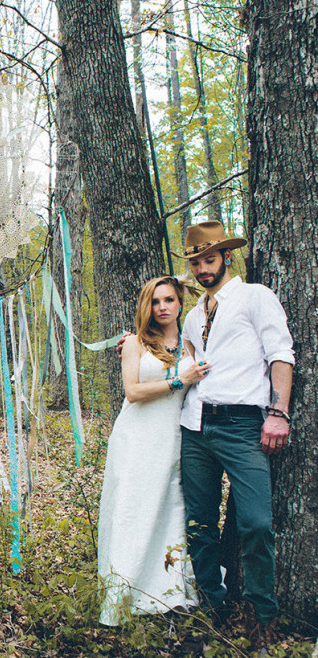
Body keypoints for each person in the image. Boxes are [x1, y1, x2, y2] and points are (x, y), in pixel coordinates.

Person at [175, 221, 293, 641]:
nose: (204, 269)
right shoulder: (192, 316)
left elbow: (281, 353)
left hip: (245, 425)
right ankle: (214, 605)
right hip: (195, 426)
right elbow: (184, 362)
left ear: (227, 257)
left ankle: (264, 615)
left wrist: (278, 412)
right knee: (199, 522)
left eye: (210, 259)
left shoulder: (255, 297)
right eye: (196, 263)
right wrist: (135, 341)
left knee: (257, 523)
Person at [98, 276, 209, 625]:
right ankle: (123, 594)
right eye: (155, 301)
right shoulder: (134, 344)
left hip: (174, 436)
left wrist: (193, 282)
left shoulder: (193, 344)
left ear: (180, 304)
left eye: (169, 300)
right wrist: (180, 380)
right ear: (147, 307)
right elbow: (132, 392)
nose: (162, 307)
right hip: (137, 436)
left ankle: (168, 591)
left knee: (169, 508)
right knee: (133, 510)